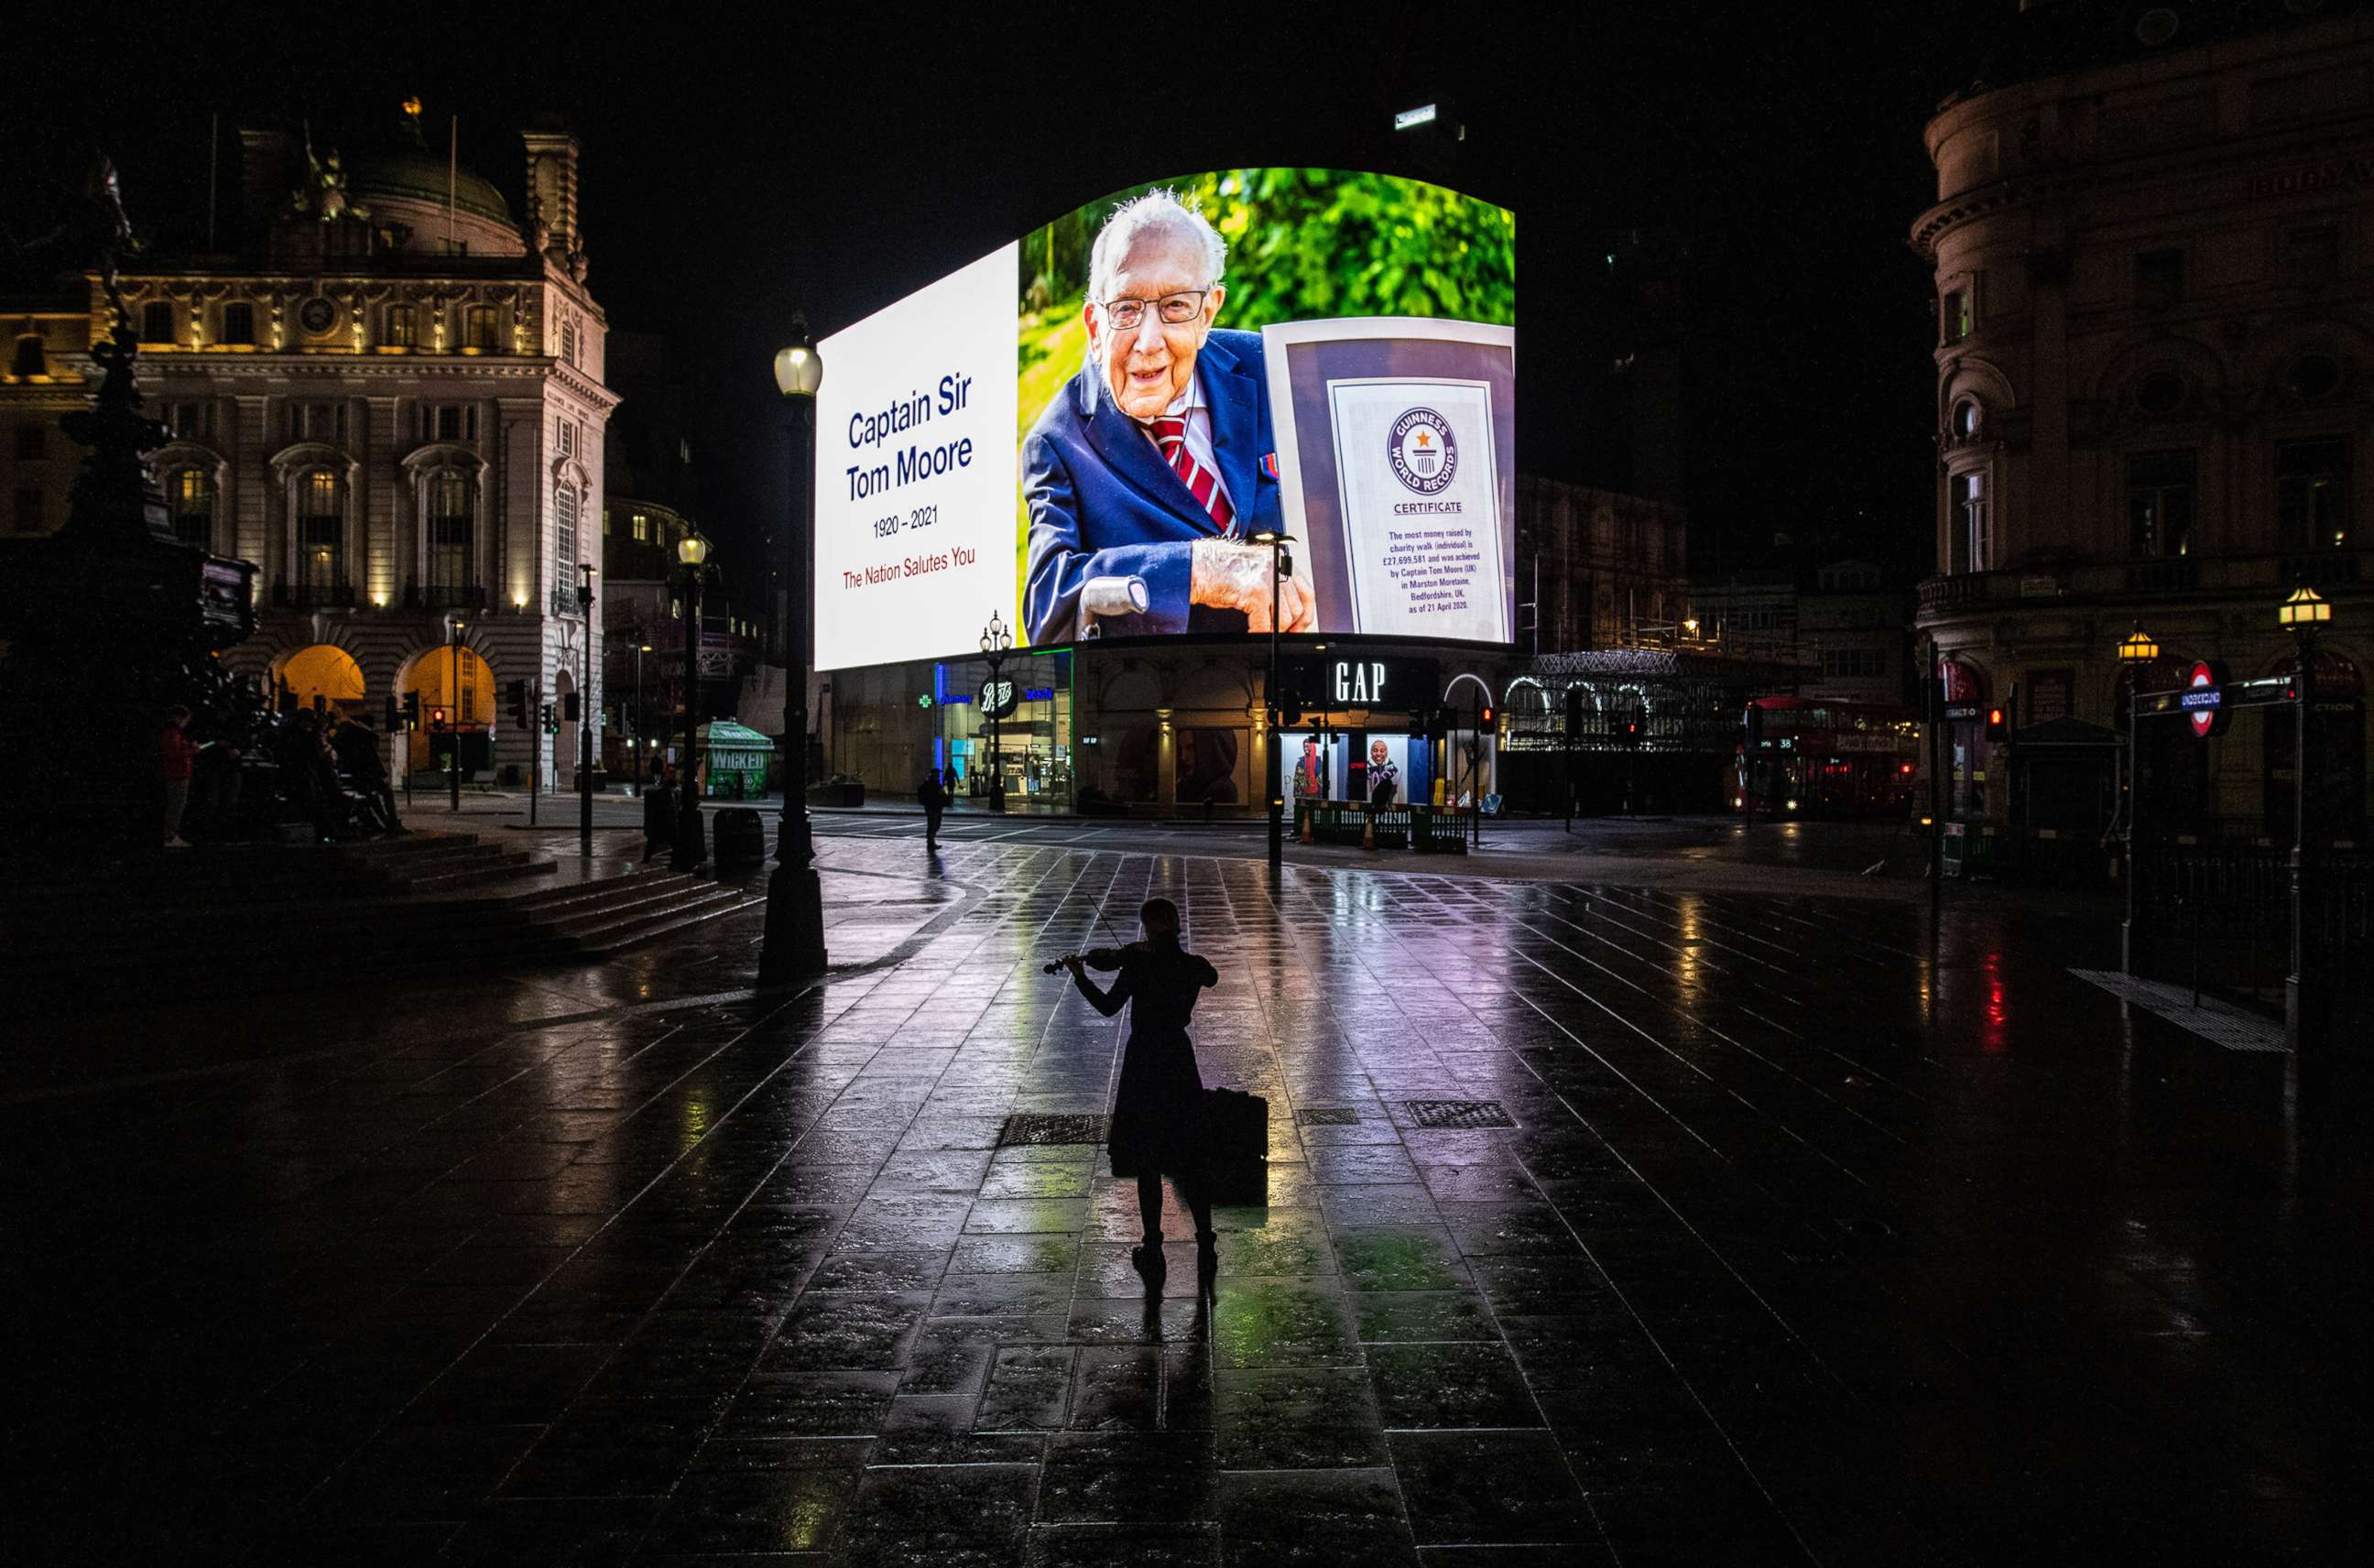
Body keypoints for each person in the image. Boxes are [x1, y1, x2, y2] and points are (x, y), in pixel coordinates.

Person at [1022, 191, 1315, 646]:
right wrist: (1203, 568)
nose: (1148, 341)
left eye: (1176, 306)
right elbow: (1049, 610)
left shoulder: (1273, 368)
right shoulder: (1058, 441)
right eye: (1126, 309)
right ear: (1095, 326)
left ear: (1208, 312)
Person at [1062, 898, 1220, 1289]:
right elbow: (1211, 976)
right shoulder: (1191, 966)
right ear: (1177, 925)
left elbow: (1107, 1006)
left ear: (1148, 928)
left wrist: (1080, 975)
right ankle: (1206, 1244)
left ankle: (1153, 1247)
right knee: (1190, 1156)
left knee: (1148, 1159)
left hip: (1145, 1059)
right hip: (1178, 1060)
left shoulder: (1138, 964)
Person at [332, 712, 400, 835]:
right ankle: (391, 822)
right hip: (364, 775)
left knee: (372, 795)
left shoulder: (340, 735)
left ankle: (387, 822)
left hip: (350, 776)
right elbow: (372, 758)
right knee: (384, 792)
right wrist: (382, 774)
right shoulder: (366, 736)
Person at [160, 705, 197, 848]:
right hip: (177, 774)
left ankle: (171, 835)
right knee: (176, 806)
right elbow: (173, 754)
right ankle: (170, 837)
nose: (186, 723)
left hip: (178, 773)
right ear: (179, 718)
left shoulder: (174, 733)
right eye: (185, 720)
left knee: (176, 805)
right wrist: (191, 750)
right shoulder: (172, 733)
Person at [642, 766, 676, 864]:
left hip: (660, 823)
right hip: (664, 823)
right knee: (673, 842)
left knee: (652, 842)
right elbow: (666, 809)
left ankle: (646, 859)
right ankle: (674, 861)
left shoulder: (665, 793)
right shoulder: (667, 794)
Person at [918, 768, 948, 847]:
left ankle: (931, 840)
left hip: (937, 806)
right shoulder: (929, 783)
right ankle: (930, 842)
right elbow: (923, 794)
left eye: (939, 773)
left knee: (936, 824)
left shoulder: (937, 783)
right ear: (933, 774)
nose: (939, 775)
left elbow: (941, 794)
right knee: (932, 824)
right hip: (932, 807)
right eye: (937, 773)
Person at [1367, 739, 1399, 807]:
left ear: (1386, 752)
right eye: (1375, 751)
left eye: (1382, 751)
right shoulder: (1364, 767)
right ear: (1370, 752)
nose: (1378, 754)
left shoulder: (1395, 770)